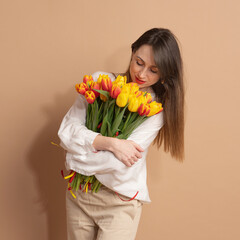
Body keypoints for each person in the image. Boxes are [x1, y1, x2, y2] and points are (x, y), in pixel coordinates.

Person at [58, 28, 185, 240]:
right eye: (139, 62)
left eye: (154, 70)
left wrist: (74, 156)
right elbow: (66, 132)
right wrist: (111, 143)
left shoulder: (155, 109)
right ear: (133, 52)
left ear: (165, 74)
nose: (142, 74)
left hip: (120, 201)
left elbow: (118, 163)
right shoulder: (100, 83)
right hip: (79, 195)